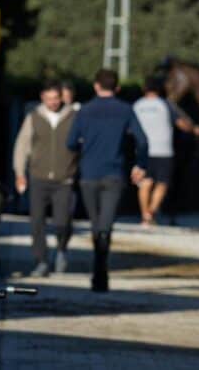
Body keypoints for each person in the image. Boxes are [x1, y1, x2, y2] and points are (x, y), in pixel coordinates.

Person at [66, 68, 148, 292]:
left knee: (95, 224)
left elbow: (71, 142)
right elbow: (143, 141)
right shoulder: (125, 110)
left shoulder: (84, 111)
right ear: (118, 88)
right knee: (106, 224)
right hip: (115, 174)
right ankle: (101, 271)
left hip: (89, 173)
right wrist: (140, 165)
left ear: (95, 86)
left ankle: (98, 269)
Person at [13, 81, 79, 277]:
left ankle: (61, 249)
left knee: (62, 221)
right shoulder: (34, 117)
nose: (53, 103)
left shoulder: (73, 116)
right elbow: (22, 146)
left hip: (64, 178)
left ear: (62, 97)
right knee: (37, 222)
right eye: (49, 99)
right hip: (38, 177)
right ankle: (41, 260)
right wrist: (19, 173)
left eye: (56, 98)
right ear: (42, 98)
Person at [133, 76, 199, 227]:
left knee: (145, 182)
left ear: (144, 89)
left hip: (143, 150)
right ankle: (150, 213)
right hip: (163, 150)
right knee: (162, 183)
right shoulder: (165, 104)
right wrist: (194, 129)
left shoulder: (137, 105)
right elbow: (181, 123)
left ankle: (144, 216)